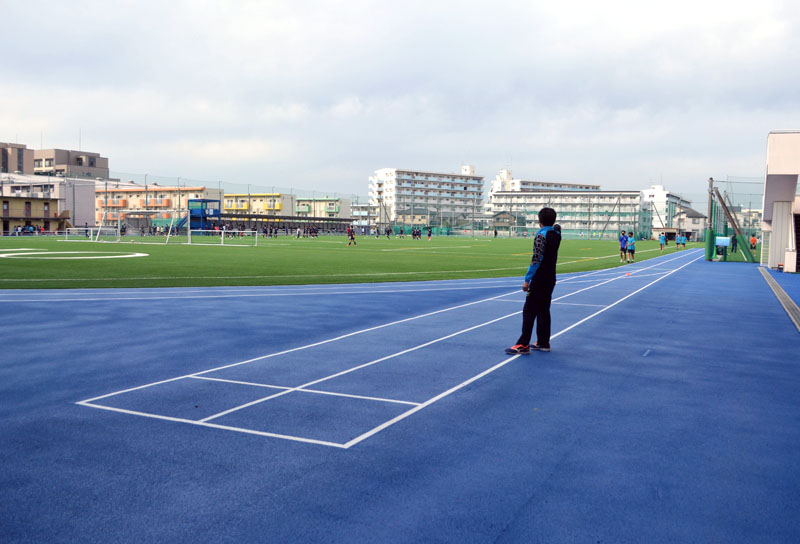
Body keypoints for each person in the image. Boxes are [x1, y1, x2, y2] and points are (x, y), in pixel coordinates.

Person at [505, 207, 561, 355]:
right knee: (544, 310)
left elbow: (536, 259)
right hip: (551, 277)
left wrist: (527, 280)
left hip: (539, 278)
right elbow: (557, 227)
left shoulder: (541, 236)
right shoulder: (556, 234)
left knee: (529, 311)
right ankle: (543, 342)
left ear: (539, 221)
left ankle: (523, 344)